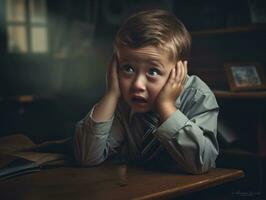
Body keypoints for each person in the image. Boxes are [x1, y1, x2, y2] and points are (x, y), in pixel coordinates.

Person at [74, 9, 219, 174]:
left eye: (153, 71)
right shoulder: (123, 100)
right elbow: (87, 157)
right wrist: (111, 94)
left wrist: (166, 107)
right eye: (128, 68)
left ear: (179, 71)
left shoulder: (197, 96)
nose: (137, 84)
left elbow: (201, 163)